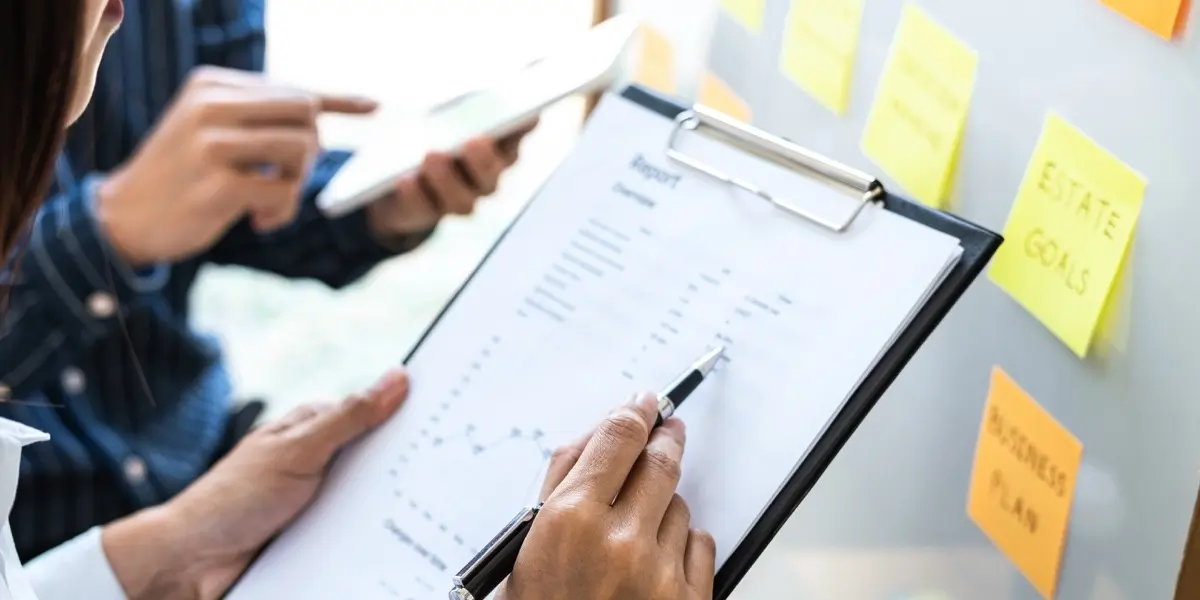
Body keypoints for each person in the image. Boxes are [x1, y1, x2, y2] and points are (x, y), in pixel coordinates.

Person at [1, 1, 716, 599]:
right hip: (47, 515)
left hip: (198, 471)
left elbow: (229, 200)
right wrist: (109, 232)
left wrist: (174, 543)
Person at [0, 0, 532, 561]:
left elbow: (230, 195)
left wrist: (381, 198)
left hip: (199, 459)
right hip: (29, 528)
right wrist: (110, 230)